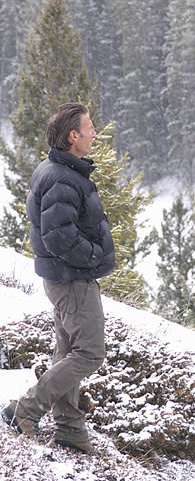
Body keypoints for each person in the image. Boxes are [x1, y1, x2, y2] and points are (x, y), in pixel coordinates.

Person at [2, 102, 114, 454]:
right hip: (72, 280)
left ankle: (69, 429)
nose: (95, 133)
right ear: (73, 135)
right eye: (89, 127)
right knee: (91, 352)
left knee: (67, 350)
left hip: (65, 278)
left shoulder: (60, 171)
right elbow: (59, 236)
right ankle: (25, 409)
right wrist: (94, 257)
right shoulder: (62, 178)